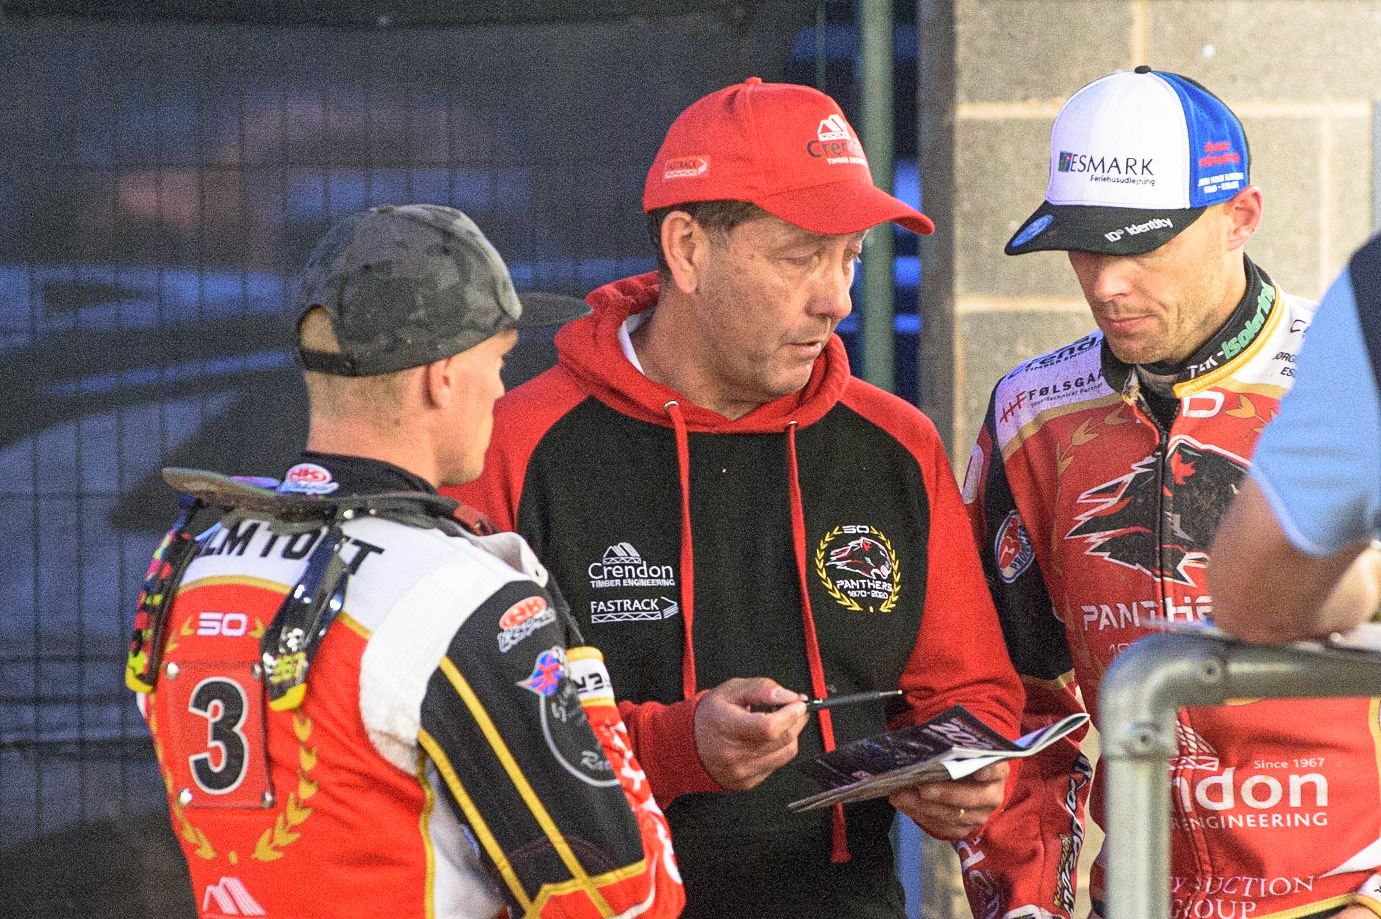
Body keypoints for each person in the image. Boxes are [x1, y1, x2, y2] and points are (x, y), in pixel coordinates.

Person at [449, 78, 1025, 919]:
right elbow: (465, 732)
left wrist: (962, 765)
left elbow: (967, 687)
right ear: (686, 248)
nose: (836, 297)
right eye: (800, 255)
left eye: (850, 255)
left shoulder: (897, 443)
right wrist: (678, 747)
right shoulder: (513, 441)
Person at [125, 204, 684, 919]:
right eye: (499, 360)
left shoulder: (196, 560)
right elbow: (625, 898)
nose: (502, 390)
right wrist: (583, 674)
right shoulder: (459, 591)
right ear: (443, 376)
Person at [960, 68, 1381, 919]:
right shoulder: (1028, 413)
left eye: (1141, 244)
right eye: (1083, 245)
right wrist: (1026, 904)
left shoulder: (1346, 375)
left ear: (1239, 216)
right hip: (1141, 897)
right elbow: (1012, 698)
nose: (1106, 283)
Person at [1209, 233, 1381, 642]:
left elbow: (1255, 599)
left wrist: (1371, 582)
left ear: (1242, 216)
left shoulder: (1369, 292)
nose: (1108, 286)